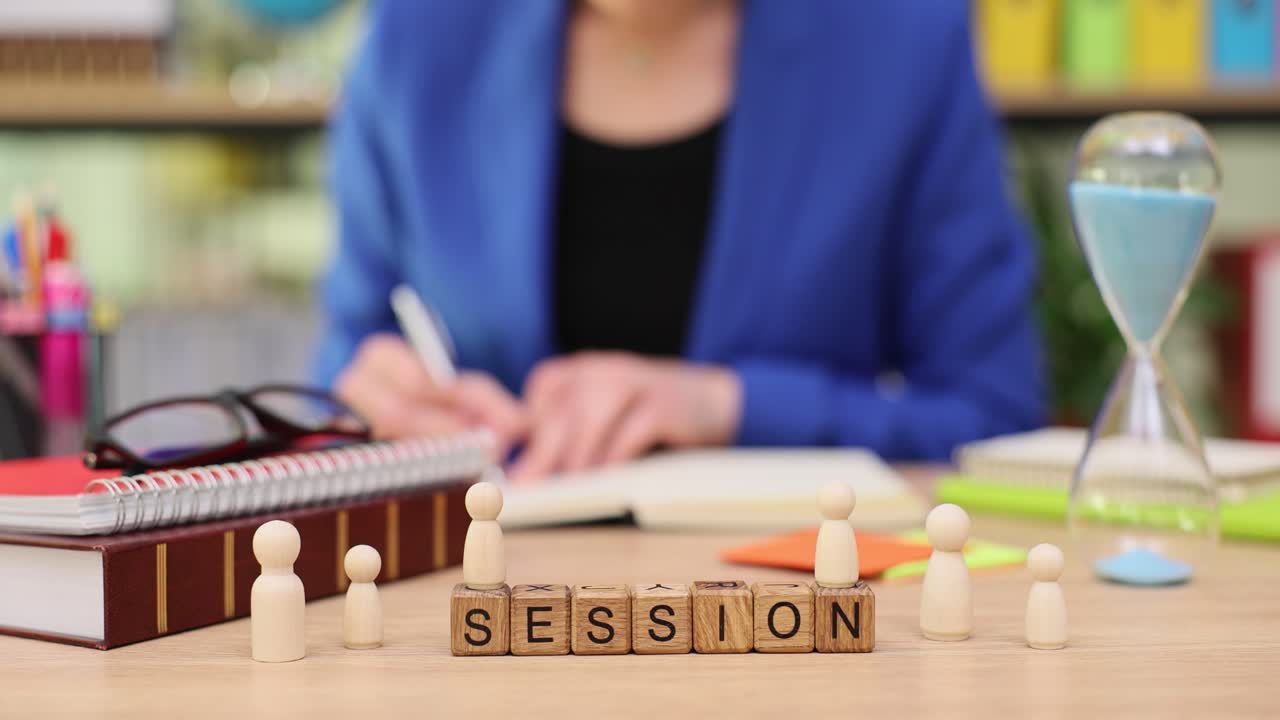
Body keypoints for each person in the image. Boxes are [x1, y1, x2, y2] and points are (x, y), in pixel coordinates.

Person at [315, 0, 1046, 480]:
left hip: (804, 624)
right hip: (476, 621)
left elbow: (993, 413)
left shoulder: (906, 40)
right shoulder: (414, 40)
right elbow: (344, 367)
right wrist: (370, 405)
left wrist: (732, 407)